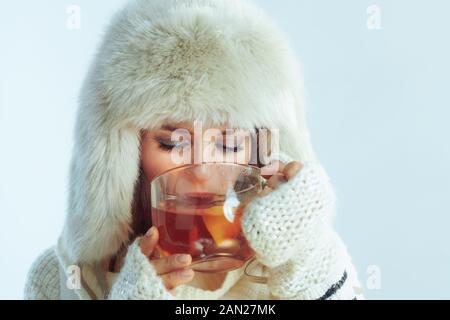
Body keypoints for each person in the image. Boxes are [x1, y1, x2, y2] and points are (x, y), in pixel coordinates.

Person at [24, 0, 363, 300]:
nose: (202, 169)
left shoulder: (313, 262)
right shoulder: (58, 281)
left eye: (228, 143)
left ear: (258, 149)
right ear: (126, 152)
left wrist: (305, 252)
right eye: (172, 143)